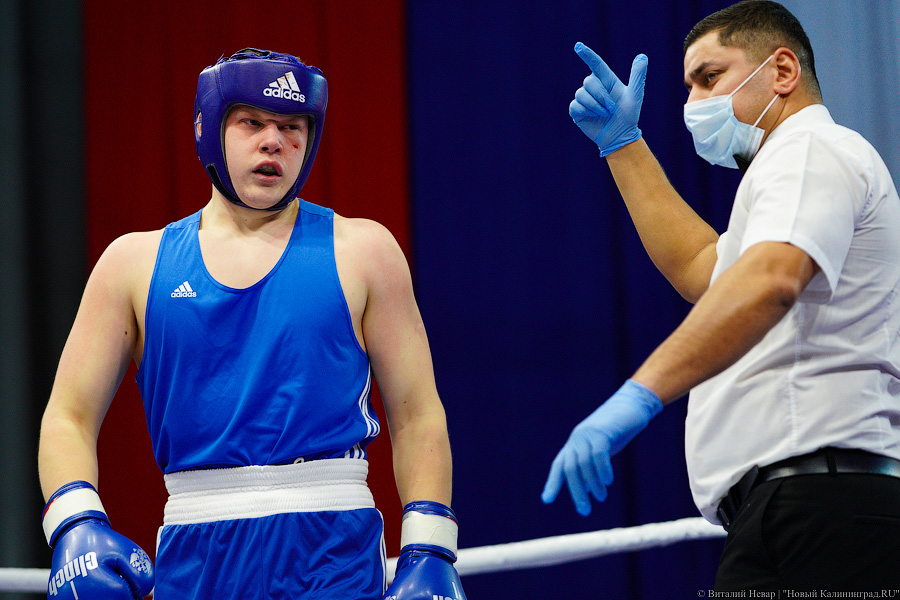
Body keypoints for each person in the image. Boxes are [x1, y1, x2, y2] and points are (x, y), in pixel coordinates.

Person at [38, 48, 466, 600]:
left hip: (333, 549)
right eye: (252, 123)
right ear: (210, 127)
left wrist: (429, 546)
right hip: (198, 550)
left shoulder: (364, 250)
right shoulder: (133, 264)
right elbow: (68, 414)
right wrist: (75, 524)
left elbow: (417, 412)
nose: (273, 142)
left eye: (292, 126)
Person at [541, 0, 900, 590]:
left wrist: (638, 396)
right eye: (687, 89)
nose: (692, 106)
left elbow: (768, 282)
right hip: (796, 503)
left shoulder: (809, 150)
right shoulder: (787, 172)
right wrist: (623, 144)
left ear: (783, 72)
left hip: (820, 501)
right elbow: (705, 268)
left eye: (710, 78)